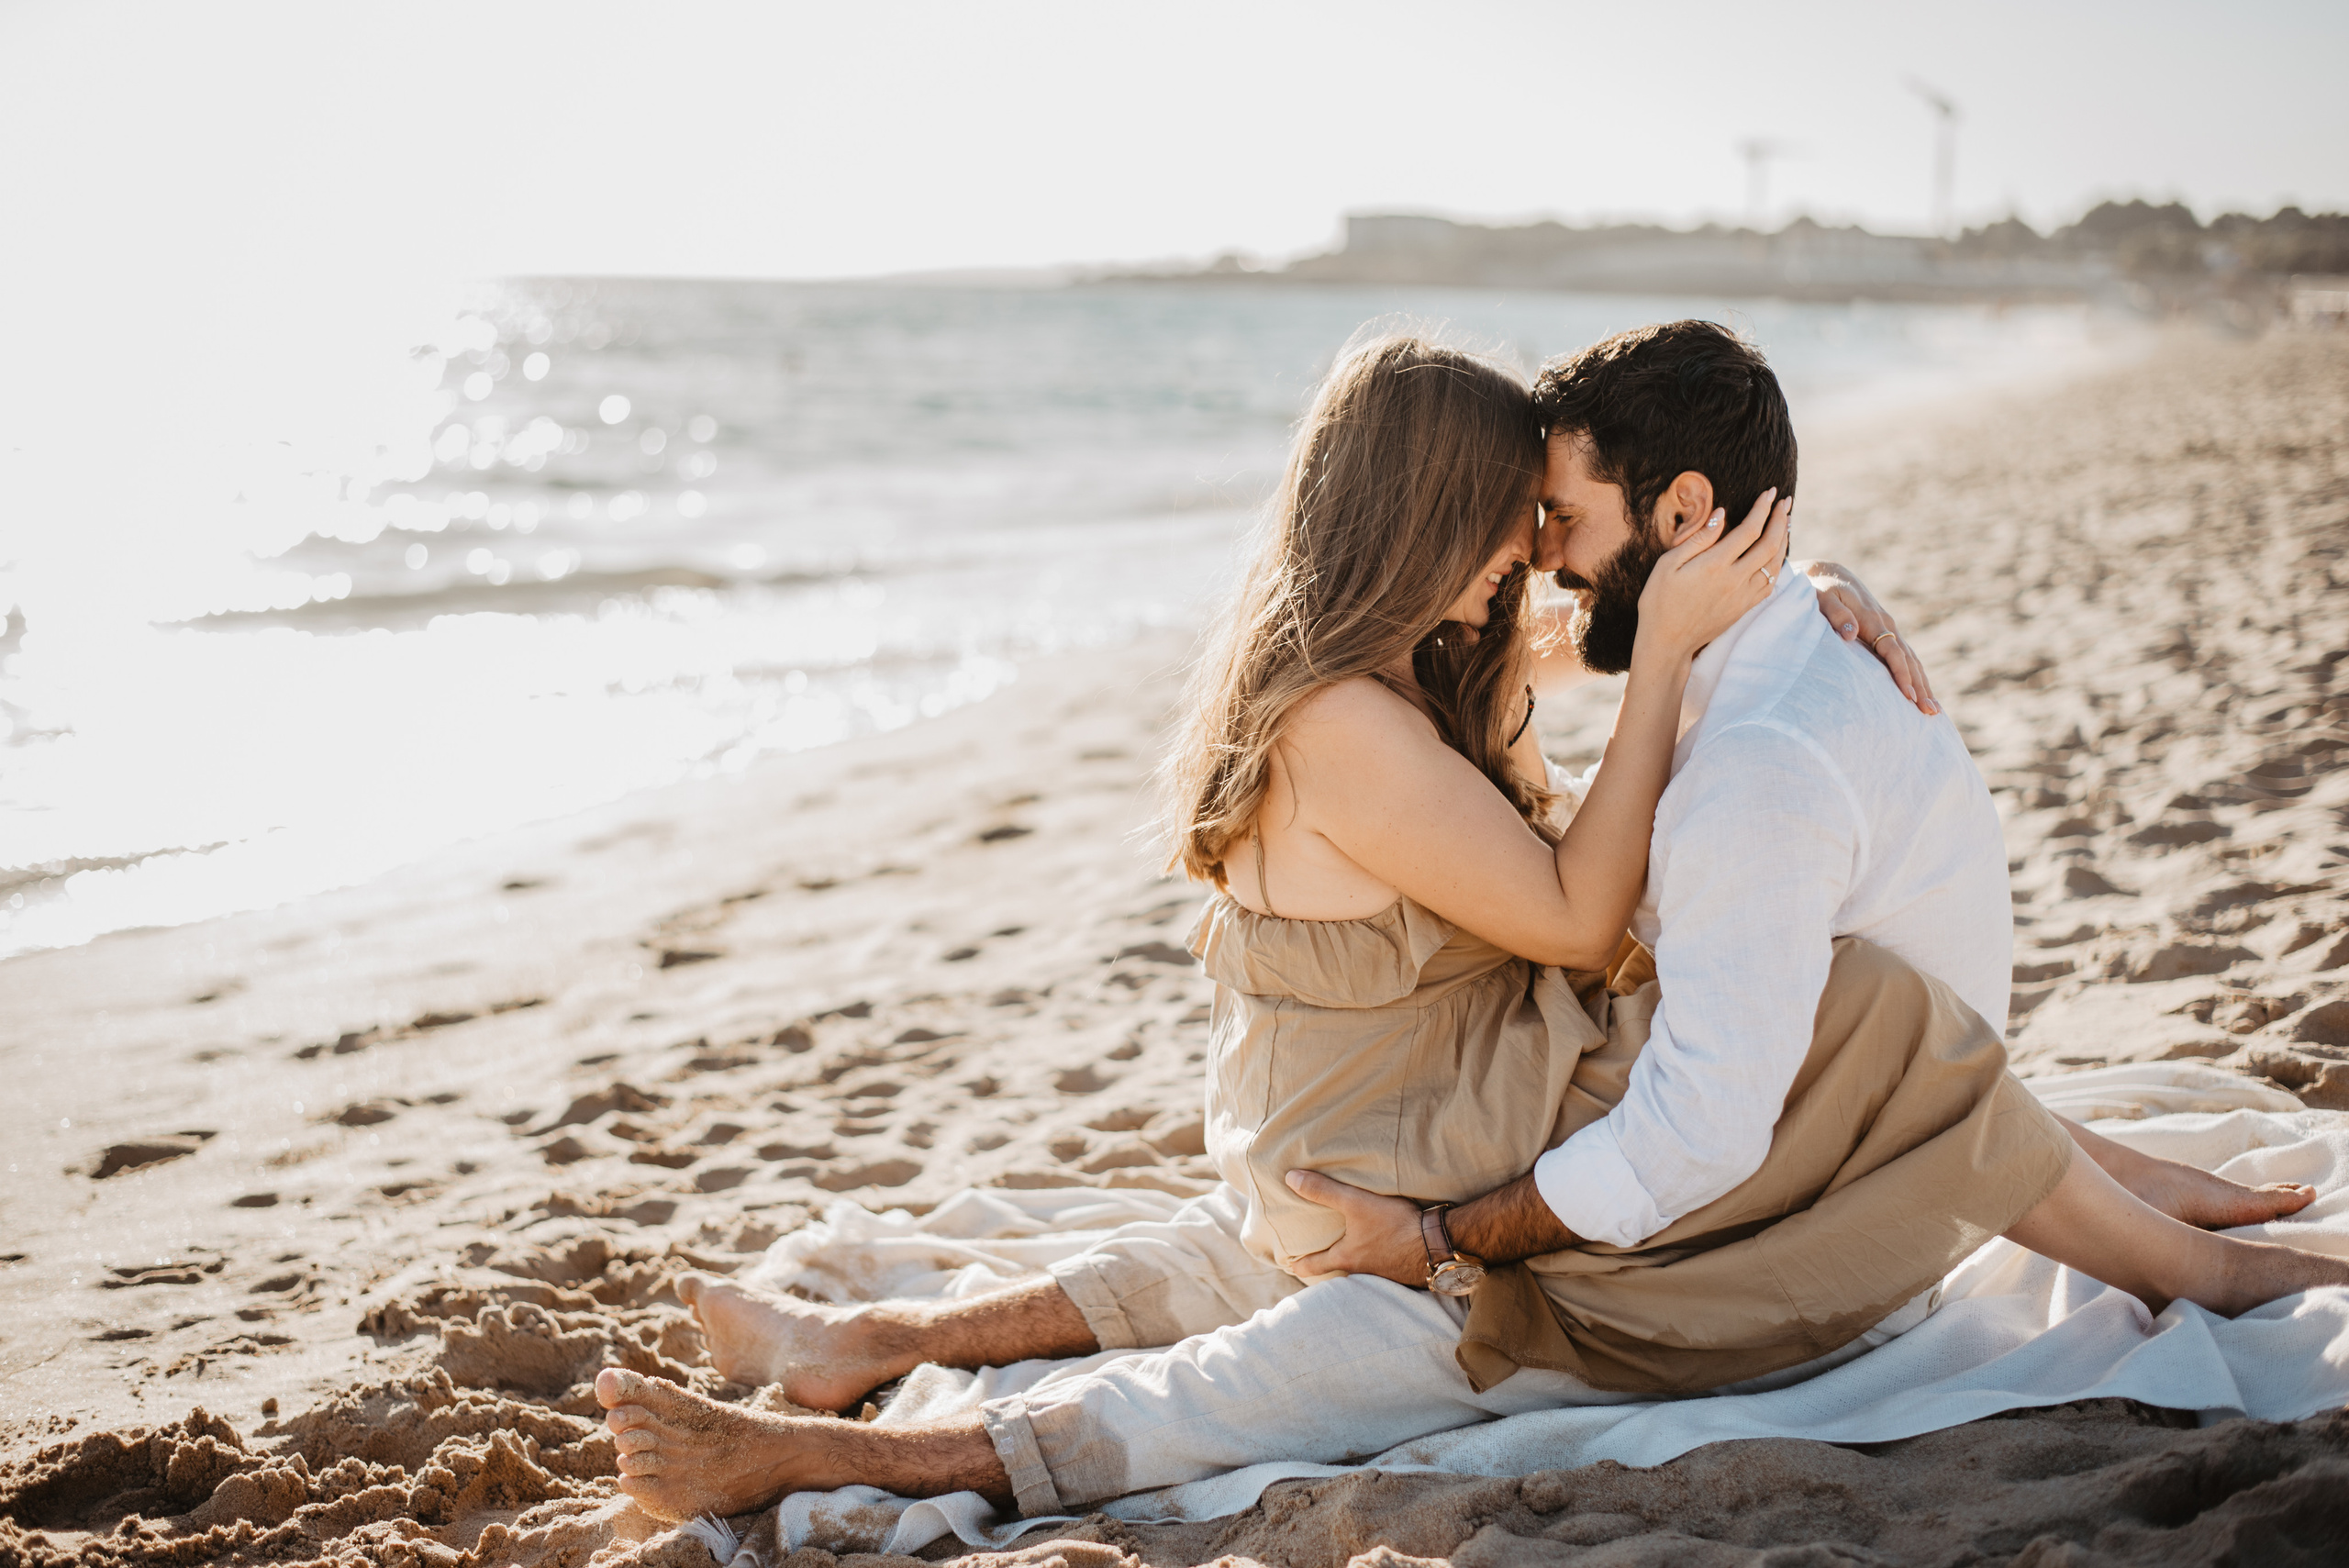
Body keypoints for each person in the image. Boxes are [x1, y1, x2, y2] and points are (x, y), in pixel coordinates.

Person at [590, 327, 2340, 1523]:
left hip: (1365, 1104)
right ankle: (850, 1448)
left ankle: (873, 1344)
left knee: (1239, 1261)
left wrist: (1800, 590)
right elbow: (1585, 917)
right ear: (1426, 517)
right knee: (1328, 1345)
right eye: (1511, 532)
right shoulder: (1349, 725)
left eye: (1546, 529)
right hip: (1407, 1122)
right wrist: (1675, 655)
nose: (1532, 563)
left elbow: (1618, 727)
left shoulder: (1403, 668)